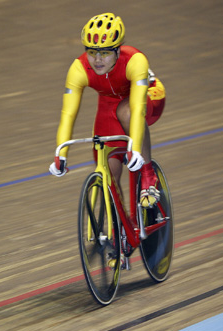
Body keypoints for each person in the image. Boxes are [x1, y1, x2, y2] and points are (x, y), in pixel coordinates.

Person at [49, 13, 166, 208]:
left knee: (126, 112)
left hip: (147, 96)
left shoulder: (135, 60)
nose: (97, 59)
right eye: (92, 51)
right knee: (107, 171)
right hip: (109, 102)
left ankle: (148, 176)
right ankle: (118, 230)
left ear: (118, 50)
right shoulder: (78, 68)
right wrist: (61, 153)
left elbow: (137, 109)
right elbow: (67, 115)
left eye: (105, 52)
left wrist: (135, 149)